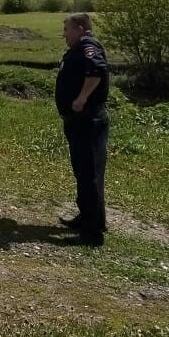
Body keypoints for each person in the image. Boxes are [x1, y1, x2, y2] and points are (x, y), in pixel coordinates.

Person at [55, 13, 110, 246]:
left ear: (79, 28)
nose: (64, 33)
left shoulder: (88, 46)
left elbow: (96, 71)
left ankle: (92, 232)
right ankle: (88, 216)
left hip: (87, 120)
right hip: (79, 121)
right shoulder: (79, 47)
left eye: (67, 29)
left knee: (89, 173)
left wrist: (81, 98)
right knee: (84, 172)